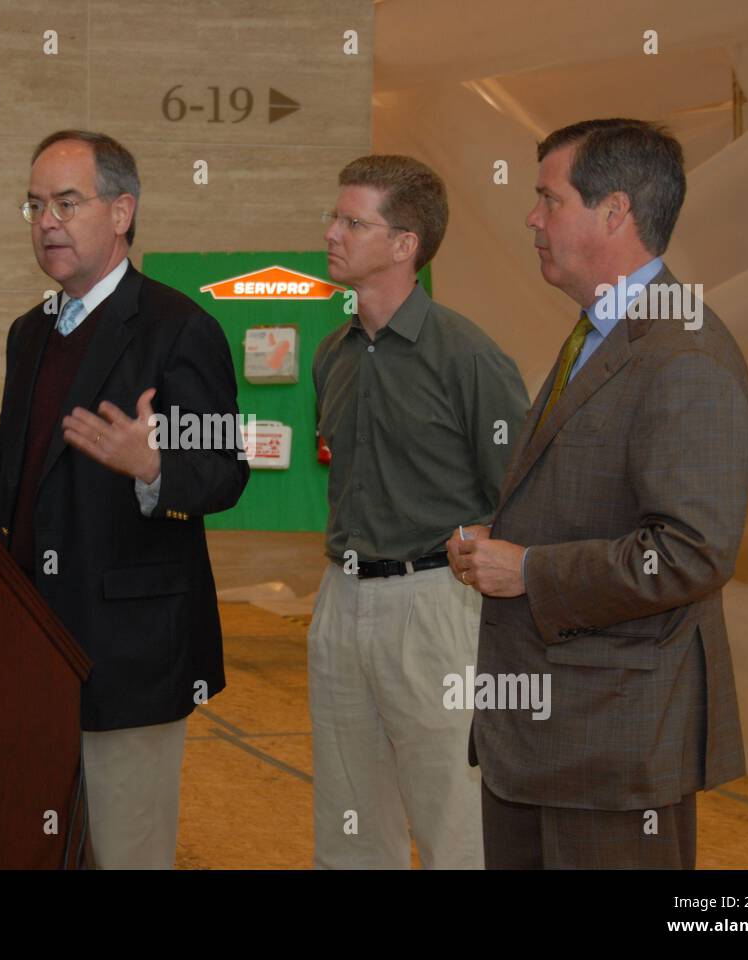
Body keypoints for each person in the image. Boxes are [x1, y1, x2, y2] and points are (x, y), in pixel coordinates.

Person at [448, 118, 748, 869]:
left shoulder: (684, 358)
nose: (531, 218)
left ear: (614, 212)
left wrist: (530, 571)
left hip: (610, 749)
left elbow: (691, 553)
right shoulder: (600, 333)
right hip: (550, 737)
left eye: (548, 199)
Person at [0, 130, 248, 868]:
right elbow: (17, 467)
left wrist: (153, 466)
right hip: (34, 642)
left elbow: (224, 471)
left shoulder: (178, 326)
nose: (47, 222)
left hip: (131, 652)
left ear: (122, 211)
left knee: (126, 852)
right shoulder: (28, 332)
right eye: (35, 205)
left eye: (68, 202)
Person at [309, 155, 528, 869]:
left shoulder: (469, 357)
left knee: (454, 825)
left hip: (439, 609)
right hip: (340, 601)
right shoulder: (331, 356)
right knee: (349, 827)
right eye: (334, 217)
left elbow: (520, 503)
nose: (331, 232)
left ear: (405, 245)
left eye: (352, 221)